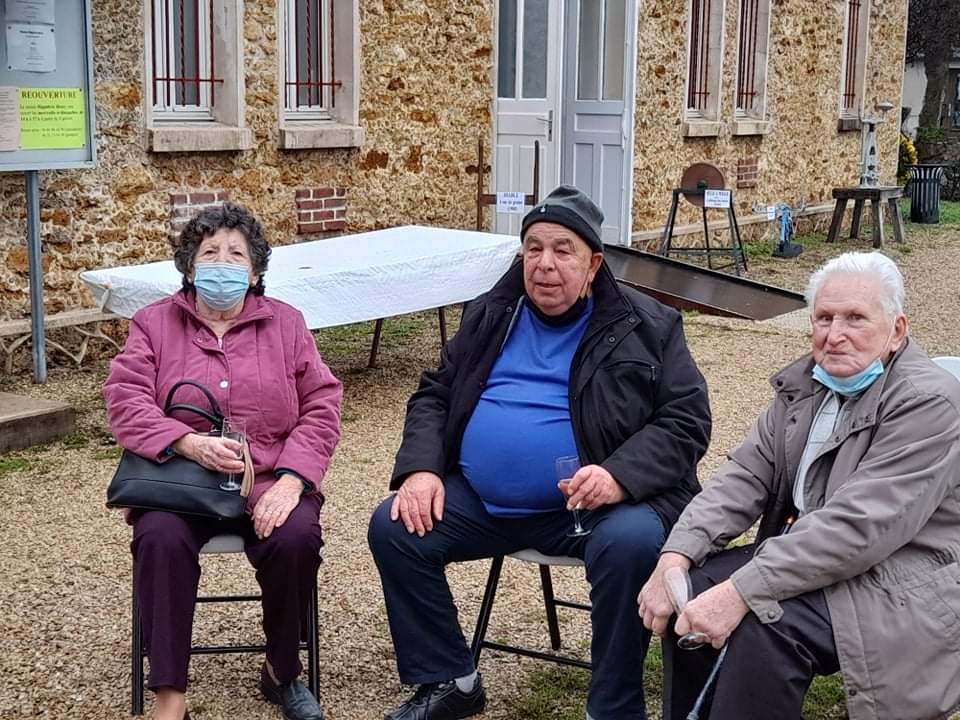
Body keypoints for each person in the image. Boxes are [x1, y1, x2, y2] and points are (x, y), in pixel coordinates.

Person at [368, 185, 711, 720]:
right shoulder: (490, 315)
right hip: (483, 504)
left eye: (562, 250)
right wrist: (420, 470)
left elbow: (686, 422)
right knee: (394, 526)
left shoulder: (648, 326)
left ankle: (614, 706)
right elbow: (434, 394)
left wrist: (619, 476)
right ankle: (451, 680)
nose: (544, 265)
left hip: (591, 506)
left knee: (633, 542)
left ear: (594, 263)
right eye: (533, 248)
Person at [638, 251, 960, 720]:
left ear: (896, 331)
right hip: (812, 554)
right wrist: (676, 556)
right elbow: (743, 476)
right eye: (824, 318)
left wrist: (742, 591)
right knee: (691, 589)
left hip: (901, 574)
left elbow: (857, 529)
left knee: (763, 626)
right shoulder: (807, 385)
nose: (834, 335)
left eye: (855, 318)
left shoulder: (929, 403)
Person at [103, 203, 342, 720]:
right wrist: (185, 441)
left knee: (296, 537)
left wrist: (295, 480)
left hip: (270, 474)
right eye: (210, 253)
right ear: (189, 267)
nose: (223, 263)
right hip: (181, 480)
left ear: (255, 272)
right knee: (158, 538)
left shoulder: (287, 323)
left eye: (237, 254)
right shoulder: (152, 323)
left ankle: (282, 671)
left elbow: (323, 404)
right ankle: (170, 696)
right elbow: (125, 400)